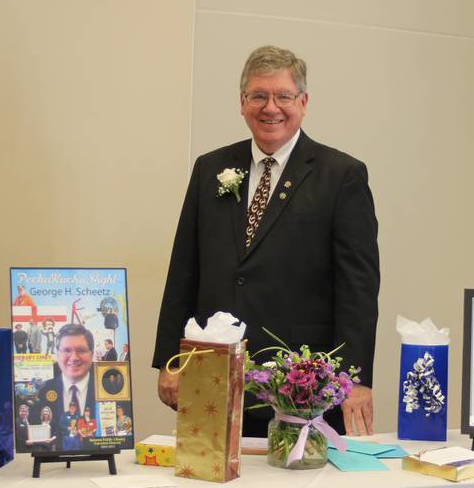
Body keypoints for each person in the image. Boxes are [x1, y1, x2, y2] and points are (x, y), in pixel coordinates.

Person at [152, 45, 379, 437]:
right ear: (242, 103)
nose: (270, 107)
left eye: (283, 96)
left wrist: (354, 378)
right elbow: (183, 271)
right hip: (214, 377)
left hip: (300, 388)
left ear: (303, 102)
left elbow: (358, 288)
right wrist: (171, 360)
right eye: (258, 95)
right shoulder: (211, 169)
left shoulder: (341, 175)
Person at [34, 323, 97, 426]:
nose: (73, 358)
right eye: (66, 350)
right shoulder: (41, 391)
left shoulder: (109, 391)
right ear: (57, 354)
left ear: (92, 354)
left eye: (81, 350)